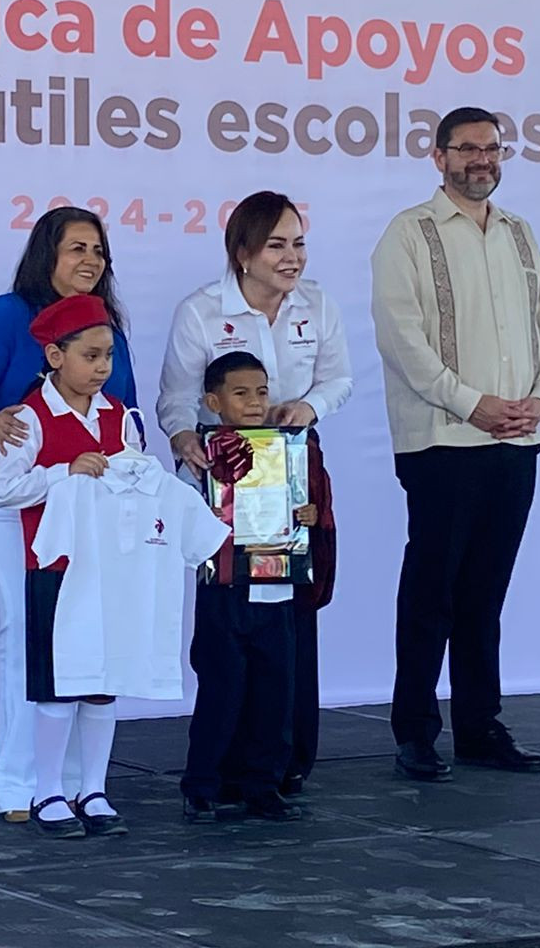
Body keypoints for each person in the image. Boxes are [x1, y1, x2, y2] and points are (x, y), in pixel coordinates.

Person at [370, 106, 540, 782]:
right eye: (468, 149)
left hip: (516, 442)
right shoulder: (409, 233)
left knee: (486, 593)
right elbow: (403, 341)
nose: (482, 160)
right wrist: (472, 404)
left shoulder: (518, 232)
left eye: (492, 149)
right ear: (439, 156)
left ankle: (480, 726)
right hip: (443, 441)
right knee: (433, 594)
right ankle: (416, 731)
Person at [0, 294, 210, 838]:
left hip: (113, 568)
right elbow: (5, 490)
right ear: (54, 355)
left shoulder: (121, 416)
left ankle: (93, 787)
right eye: (90, 356)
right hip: (57, 569)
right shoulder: (28, 418)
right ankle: (47, 792)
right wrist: (65, 471)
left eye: (108, 356)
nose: (102, 368)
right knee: (57, 685)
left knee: (102, 682)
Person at [156, 190, 351, 794]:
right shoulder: (202, 311)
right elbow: (177, 400)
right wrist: (188, 441)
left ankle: (281, 763)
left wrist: (306, 406)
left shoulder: (317, 305)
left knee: (289, 627)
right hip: (227, 482)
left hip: (292, 468)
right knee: (229, 630)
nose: (292, 258)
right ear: (242, 253)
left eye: (298, 243)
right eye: (276, 246)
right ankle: (217, 769)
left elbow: (339, 378)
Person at [0, 208, 137, 822]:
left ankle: (78, 783)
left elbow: (123, 411)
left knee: (82, 638)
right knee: (24, 631)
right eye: (76, 248)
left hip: (83, 510)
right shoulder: (8, 313)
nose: (90, 261)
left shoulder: (107, 326)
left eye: (99, 251)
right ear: (46, 255)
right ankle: (17, 783)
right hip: (11, 503)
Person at [180, 351, 325, 824]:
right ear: (212, 401)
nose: (254, 402)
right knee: (222, 689)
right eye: (240, 393)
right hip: (224, 591)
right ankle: (204, 783)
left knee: (275, 691)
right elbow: (187, 519)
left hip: (277, 590)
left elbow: (304, 507)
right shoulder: (202, 456)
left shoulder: (289, 449)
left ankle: (263, 784)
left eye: (261, 392)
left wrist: (306, 517)